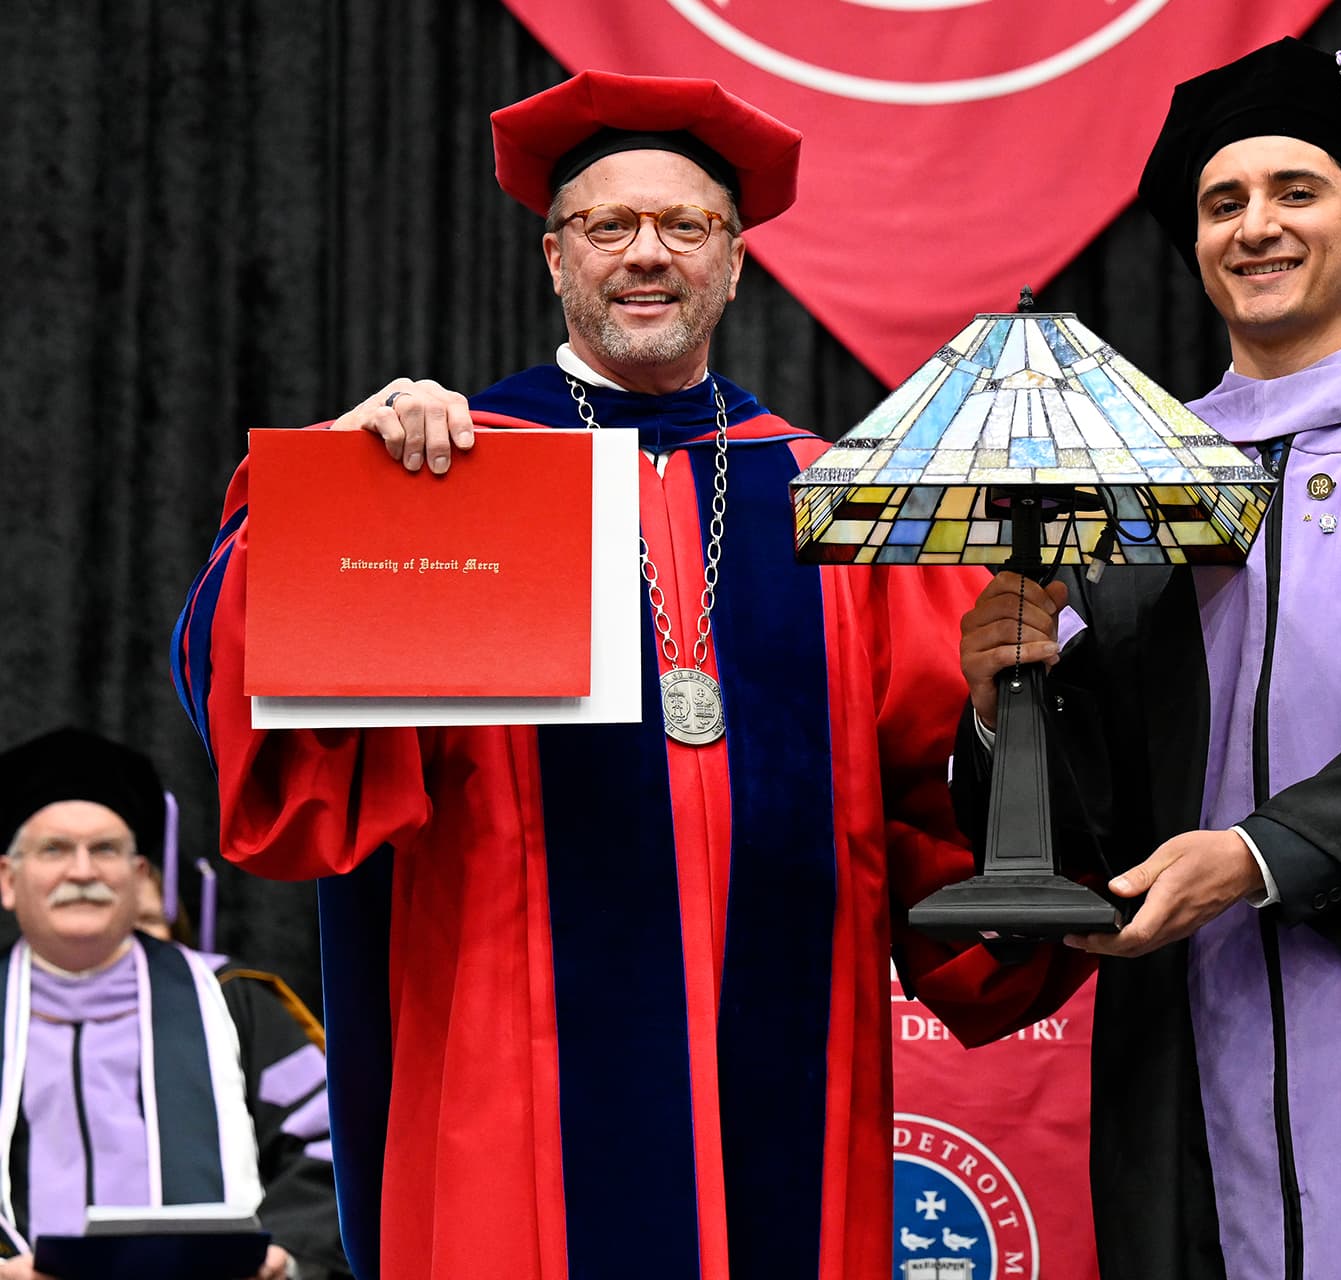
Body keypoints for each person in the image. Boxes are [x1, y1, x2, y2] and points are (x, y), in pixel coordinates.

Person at [171, 72, 1075, 1280]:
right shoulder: (448, 470)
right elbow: (253, 700)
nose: (647, 255)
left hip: (784, 1055)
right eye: (609, 225)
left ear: (736, 262)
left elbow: (938, 793)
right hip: (512, 1070)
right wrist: (333, 497)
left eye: (685, 226)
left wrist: (998, 710)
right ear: (554, 258)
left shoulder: (834, 500)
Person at [955, 37, 1341, 1279]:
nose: (1256, 225)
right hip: (1186, 1055)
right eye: (1222, 202)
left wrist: (1257, 857)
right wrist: (1003, 708)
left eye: (1297, 191)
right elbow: (1086, 818)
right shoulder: (1131, 477)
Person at [0, 728, 347, 1280]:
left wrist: (286, 1256)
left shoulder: (234, 1002)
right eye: (55, 849)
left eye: (106, 849)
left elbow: (332, 1147)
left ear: (139, 878)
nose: (83, 872)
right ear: (8, 880)